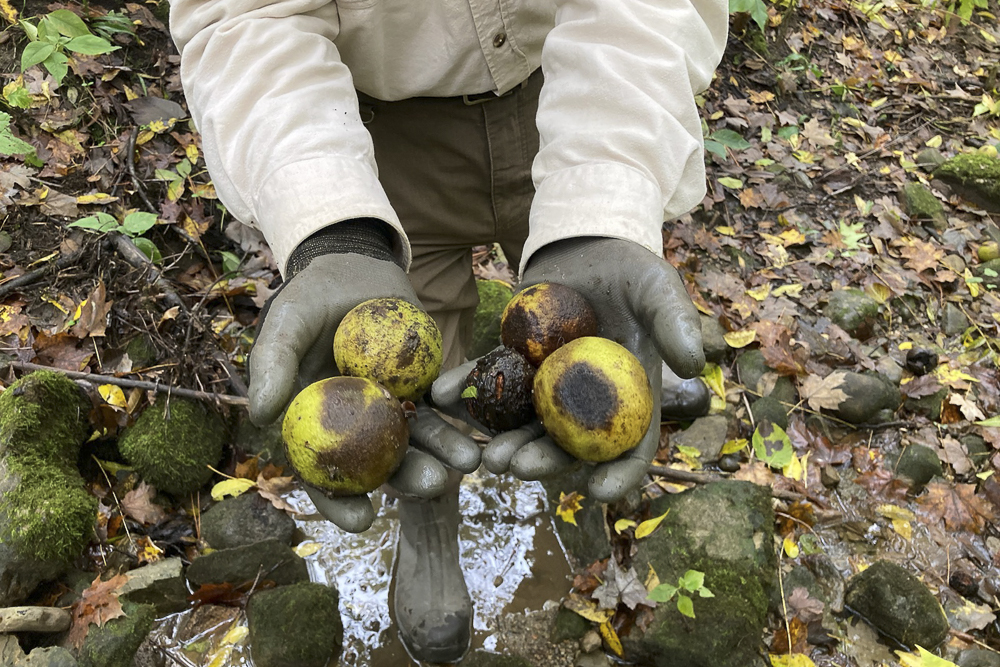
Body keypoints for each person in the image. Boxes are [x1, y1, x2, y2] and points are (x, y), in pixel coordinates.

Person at [169, 1, 728, 662]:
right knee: (426, 364)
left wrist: (605, 199)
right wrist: (334, 227)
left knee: (590, 295)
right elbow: (243, 16)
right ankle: (427, 516)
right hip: (381, 135)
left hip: (579, 88)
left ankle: (624, 377)